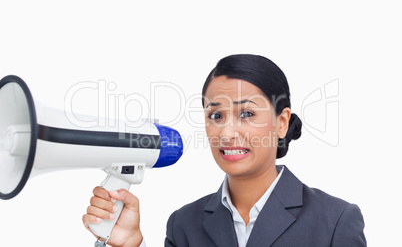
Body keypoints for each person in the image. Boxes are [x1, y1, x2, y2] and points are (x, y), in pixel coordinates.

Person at [82, 54, 367, 247]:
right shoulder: (184, 225)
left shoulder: (334, 220)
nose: (227, 133)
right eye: (216, 116)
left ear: (281, 123)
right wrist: (131, 243)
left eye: (246, 114)